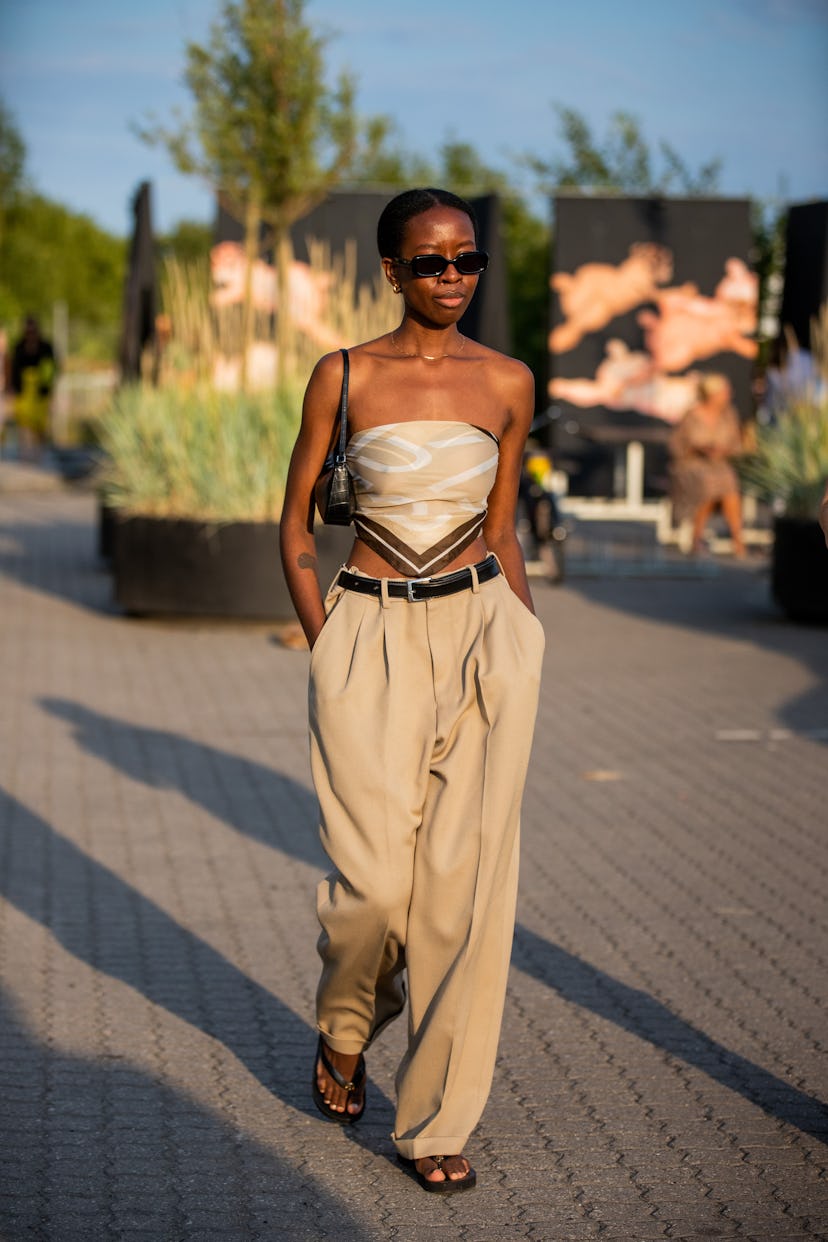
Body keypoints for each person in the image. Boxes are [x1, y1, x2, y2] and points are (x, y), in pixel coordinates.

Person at [279, 188, 544, 1195]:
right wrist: (327, 640)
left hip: (484, 634)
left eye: (467, 261)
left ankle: (433, 1121)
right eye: (430, 263)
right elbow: (296, 525)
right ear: (391, 270)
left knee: (460, 901)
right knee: (374, 892)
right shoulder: (342, 375)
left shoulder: (510, 382)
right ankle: (344, 1030)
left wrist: (523, 639)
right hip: (368, 633)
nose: (452, 279)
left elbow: (505, 527)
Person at [668, 372, 746, 556]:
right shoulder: (692, 415)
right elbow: (676, 445)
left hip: (719, 465)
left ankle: (738, 539)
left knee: (728, 482)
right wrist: (699, 449)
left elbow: (736, 445)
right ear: (712, 394)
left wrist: (721, 450)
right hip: (691, 465)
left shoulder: (729, 415)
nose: (728, 395)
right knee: (708, 482)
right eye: (724, 392)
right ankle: (696, 538)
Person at [9, 315, 57, 460]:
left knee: (39, 422)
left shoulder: (46, 347)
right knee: (23, 420)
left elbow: (51, 368)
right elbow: (14, 368)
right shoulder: (19, 346)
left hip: (40, 389)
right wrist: (13, 386)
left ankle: (38, 452)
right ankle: (24, 452)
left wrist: (48, 387)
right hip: (23, 389)